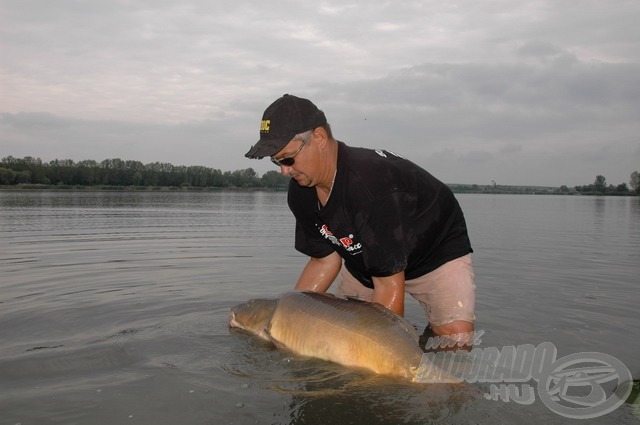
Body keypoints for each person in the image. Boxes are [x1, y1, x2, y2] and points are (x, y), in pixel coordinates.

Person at [245, 94, 476, 349]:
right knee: (344, 338)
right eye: (277, 161)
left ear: (319, 138)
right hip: (366, 261)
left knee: (454, 345)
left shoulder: (369, 185)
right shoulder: (301, 191)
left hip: (435, 252)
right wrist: (286, 323)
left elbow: (389, 290)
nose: (284, 171)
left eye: (288, 159)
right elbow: (324, 260)